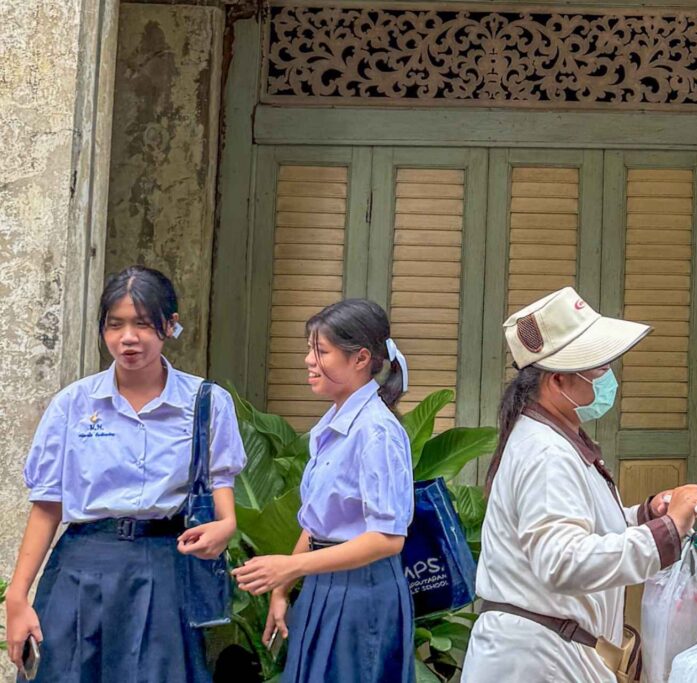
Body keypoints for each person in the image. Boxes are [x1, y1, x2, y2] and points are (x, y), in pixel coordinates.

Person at [4, 265, 246, 682]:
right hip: (81, 569)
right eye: (115, 325)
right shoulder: (73, 404)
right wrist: (17, 597)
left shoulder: (207, 403)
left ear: (170, 326)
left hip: (165, 568)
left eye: (142, 324)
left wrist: (224, 528)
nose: (127, 338)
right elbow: (46, 506)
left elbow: (222, 493)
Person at [462, 286, 697, 683]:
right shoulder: (546, 453)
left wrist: (644, 516)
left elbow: (576, 528)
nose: (606, 378)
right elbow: (562, 560)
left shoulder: (553, 440)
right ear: (558, 381)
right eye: (596, 368)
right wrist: (663, 535)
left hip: (549, 651)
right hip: (536, 660)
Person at [232, 299, 415, 683]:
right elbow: (318, 523)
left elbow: (387, 538)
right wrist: (283, 586)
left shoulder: (376, 431)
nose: (308, 360)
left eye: (321, 351)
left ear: (360, 358)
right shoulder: (332, 423)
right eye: (309, 350)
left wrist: (292, 567)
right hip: (323, 586)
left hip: (363, 593)